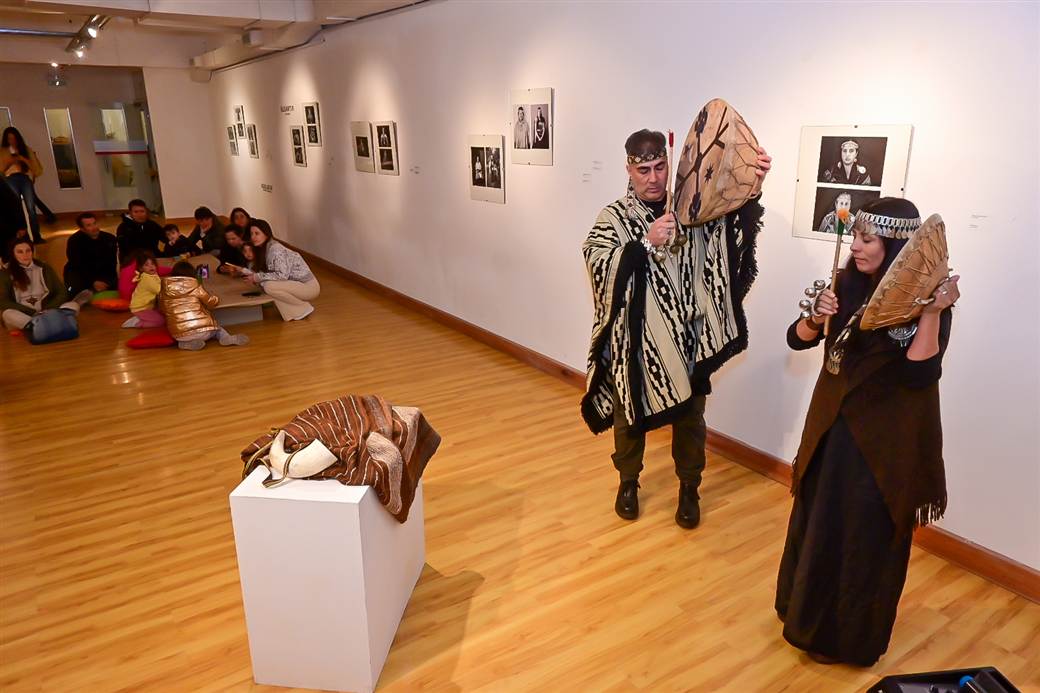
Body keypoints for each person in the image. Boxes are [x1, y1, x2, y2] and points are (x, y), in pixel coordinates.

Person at [775, 197, 959, 667]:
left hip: (881, 445)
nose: (855, 246)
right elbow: (798, 338)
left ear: (896, 244)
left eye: (868, 239)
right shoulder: (845, 281)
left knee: (860, 537)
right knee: (818, 523)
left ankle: (848, 639)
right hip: (830, 429)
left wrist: (933, 313)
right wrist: (817, 314)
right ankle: (800, 614)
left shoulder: (926, 298)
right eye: (854, 235)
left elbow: (919, 375)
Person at [582, 129, 771, 528]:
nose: (653, 178)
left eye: (660, 167)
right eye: (643, 169)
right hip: (633, 344)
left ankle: (689, 487)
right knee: (628, 416)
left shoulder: (691, 210)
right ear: (629, 169)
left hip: (688, 341)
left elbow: (729, 230)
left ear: (669, 163)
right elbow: (597, 261)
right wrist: (642, 245)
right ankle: (628, 482)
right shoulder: (613, 217)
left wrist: (752, 186)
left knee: (690, 418)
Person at [1, 238, 88, 330]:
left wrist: (48, 308)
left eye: (28, 251)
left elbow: (61, 292)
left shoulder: (44, 267)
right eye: (20, 252)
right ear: (13, 254)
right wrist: (30, 311)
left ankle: (43, 324)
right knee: (8, 314)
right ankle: (38, 326)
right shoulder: (5, 272)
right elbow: (3, 301)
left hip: (47, 310)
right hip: (24, 314)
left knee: (73, 305)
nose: (25, 255)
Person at [160, 261, 249, 350]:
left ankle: (183, 343)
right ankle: (226, 338)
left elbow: (162, 309)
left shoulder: (164, 290)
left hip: (178, 334)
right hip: (203, 331)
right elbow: (210, 302)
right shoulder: (195, 286)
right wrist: (216, 298)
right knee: (217, 329)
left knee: (181, 336)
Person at [242, 219, 319, 321]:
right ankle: (297, 312)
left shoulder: (275, 249)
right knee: (266, 284)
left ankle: (303, 308)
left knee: (269, 286)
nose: (253, 237)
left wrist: (257, 277)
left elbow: (282, 275)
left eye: (257, 233)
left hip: (309, 287)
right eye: (251, 234)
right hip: (297, 284)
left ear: (266, 234)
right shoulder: (264, 249)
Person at [0, 127, 45, 243]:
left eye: (14, 138)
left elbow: (37, 169)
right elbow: (1, 172)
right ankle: (21, 238)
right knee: (16, 208)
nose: (12, 141)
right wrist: (9, 162)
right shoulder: (2, 151)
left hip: (24, 178)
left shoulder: (26, 149)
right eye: (9, 139)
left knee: (31, 208)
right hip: (9, 179)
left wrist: (23, 159)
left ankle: (36, 236)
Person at [64, 212, 118, 295]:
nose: (94, 227)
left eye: (94, 223)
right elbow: (77, 264)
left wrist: (108, 281)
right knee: (73, 292)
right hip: (80, 273)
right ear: (82, 229)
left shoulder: (109, 238)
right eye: (89, 225)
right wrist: (92, 282)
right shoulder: (74, 241)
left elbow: (112, 262)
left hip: (103, 271)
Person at [127, 251, 165, 328]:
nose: (151, 267)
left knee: (163, 315)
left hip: (148, 307)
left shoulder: (153, 275)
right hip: (140, 308)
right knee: (161, 321)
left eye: (152, 264)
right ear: (141, 268)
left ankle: (143, 318)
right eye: (147, 265)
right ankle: (136, 322)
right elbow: (159, 290)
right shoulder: (146, 277)